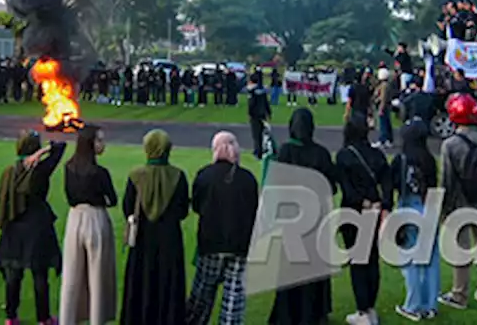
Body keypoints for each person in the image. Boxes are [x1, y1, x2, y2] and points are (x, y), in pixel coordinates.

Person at [269, 108, 338, 325]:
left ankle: (288, 313)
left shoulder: (285, 151)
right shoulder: (321, 153)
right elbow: (331, 187)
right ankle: (315, 313)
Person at [0, 130, 67, 325]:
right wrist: (43, 151)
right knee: (39, 275)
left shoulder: (10, 171)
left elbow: (0, 196)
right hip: (37, 226)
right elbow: (60, 148)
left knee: (13, 276)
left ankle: (11, 316)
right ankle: (43, 318)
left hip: (14, 226)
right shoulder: (40, 170)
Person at [186, 131, 258, 325]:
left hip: (211, 242)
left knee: (202, 293)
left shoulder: (204, 175)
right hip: (239, 245)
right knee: (233, 299)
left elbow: (197, 206)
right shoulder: (248, 178)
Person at [120, 128, 189, 325]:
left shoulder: (136, 176)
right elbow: (183, 210)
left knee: (141, 281)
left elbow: (128, 208)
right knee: (169, 282)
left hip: (143, 237)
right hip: (170, 239)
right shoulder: (178, 176)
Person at [438, 93, 477, 311]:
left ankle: (459, 294)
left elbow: (447, 179)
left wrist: (445, 209)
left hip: (461, 204)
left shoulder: (450, 144)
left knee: (460, 252)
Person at [59, 124, 118, 325]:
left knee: (72, 275)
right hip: (96, 218)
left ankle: (68, 318)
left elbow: (69, 196)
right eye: (99, 140)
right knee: (98, 275)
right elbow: (112, 199)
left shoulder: (69, 167)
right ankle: (96, 318)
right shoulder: (100, 173)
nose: (103, 144)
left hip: (75, 219)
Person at [336, 112, 391, 325]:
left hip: (353, 212)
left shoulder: (344, 156)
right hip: (374, 212)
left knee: (358, 262)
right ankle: (370, 307)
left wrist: (363, 202)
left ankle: (362, 310)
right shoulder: (377, 155)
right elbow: (387, 182)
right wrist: (383, 204)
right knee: (372, 260)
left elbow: (347, 190)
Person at [391, 119, 441, 321]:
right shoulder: (429, 159)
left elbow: (394, 184)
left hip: (409, 207)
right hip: (429, 207)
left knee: (410, 258)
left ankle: (413, 305)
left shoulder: (401, 159)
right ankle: (430, 305)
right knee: (431, 258)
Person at [246, 71, 271, 159]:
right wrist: (268, 112)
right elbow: (266, 102)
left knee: (256, 134)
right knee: (263, 133)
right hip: (263, 113)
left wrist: (249, 113)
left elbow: (251, 103)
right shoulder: (262, 90)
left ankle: (258, 151)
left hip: (255, 114)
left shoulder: (252, 91)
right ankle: (263, 149)